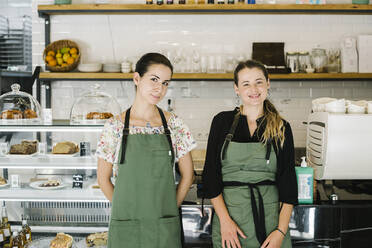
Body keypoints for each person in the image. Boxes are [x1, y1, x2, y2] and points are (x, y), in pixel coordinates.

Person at [96, 53, 196, 248]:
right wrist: (124, 211)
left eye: (166, 83)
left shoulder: (175, 125)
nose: (160, 89)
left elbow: (188, 175)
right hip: (126, 227)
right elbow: (102, 178)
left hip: (164, 225)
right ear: (136, 78)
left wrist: (170, 207)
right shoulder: (114, 126)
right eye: (154, 80)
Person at [202, 60, 298, 248]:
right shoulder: (222, 121)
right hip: (231, 223)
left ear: (268, 83)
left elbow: (288, 184)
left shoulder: (281, 127)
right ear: (236, 88)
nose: (253, 89)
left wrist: (280, 231)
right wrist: (225, 221)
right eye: (246, 83)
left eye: (259, 82)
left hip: (271, 222)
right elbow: (211, 176)